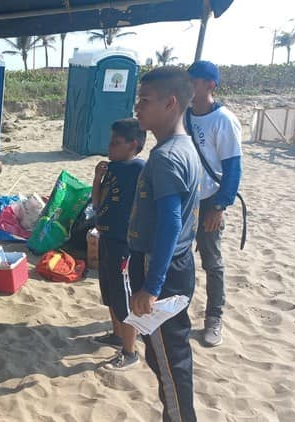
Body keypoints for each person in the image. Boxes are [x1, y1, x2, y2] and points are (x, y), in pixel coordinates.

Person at [127, 67, 201, 421]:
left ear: (171, 103)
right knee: (166, 356)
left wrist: (151, 286)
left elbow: (171, 223)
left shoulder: (167, 156)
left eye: (145, 101)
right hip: (178, 263)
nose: (137, 108)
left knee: (170, 365)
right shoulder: (185, 147)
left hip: (163, 268)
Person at [187, 61, 243, 347]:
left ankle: (214, 318)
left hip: (210, 200)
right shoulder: (184, 116)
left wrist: (220, 205)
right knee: (178, 257)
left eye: (194, 81)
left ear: (210, 85)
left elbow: (233, 169)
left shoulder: (224, 120)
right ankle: (174, 311)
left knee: (212, 262)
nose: (190, 86)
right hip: (185, 199)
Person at [90, 118, 146, 370]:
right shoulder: (111, 168)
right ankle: (116, 334)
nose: (110, 147)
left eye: (116, 143)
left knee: (124, 296)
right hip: (106, 237)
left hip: (124, 242)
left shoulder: (139, 169)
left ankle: (130, 350)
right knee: (110, 291)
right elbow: (97, 202)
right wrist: (97, 178)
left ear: (133, 145)